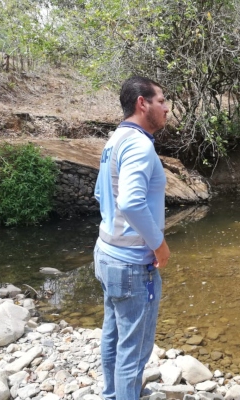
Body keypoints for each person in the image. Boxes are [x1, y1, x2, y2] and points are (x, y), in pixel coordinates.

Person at [93, 76, 170, 400]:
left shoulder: (116, 139)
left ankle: (112, 394)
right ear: (143, 103)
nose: (166, 109)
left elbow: (100, 193)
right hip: (132, 265)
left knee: (113, 334)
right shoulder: (139, 144)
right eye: (162, 101)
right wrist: (159, 245)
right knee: (134, 352)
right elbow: (131, 202)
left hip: (107, 254)